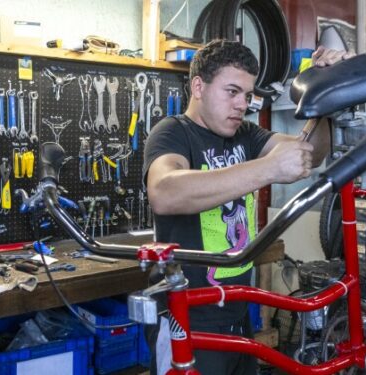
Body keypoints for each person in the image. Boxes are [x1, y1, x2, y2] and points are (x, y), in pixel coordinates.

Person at [142, 41, 354, 375]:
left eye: (247, 95)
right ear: (198, 86)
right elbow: (165, 192)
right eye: (231, 92)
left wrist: (322, 94)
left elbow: (310, 153)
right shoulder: (173, 133)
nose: (242, 104)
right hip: (188, 317)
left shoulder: (245, 134)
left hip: (237, 312)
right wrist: (268, 169)